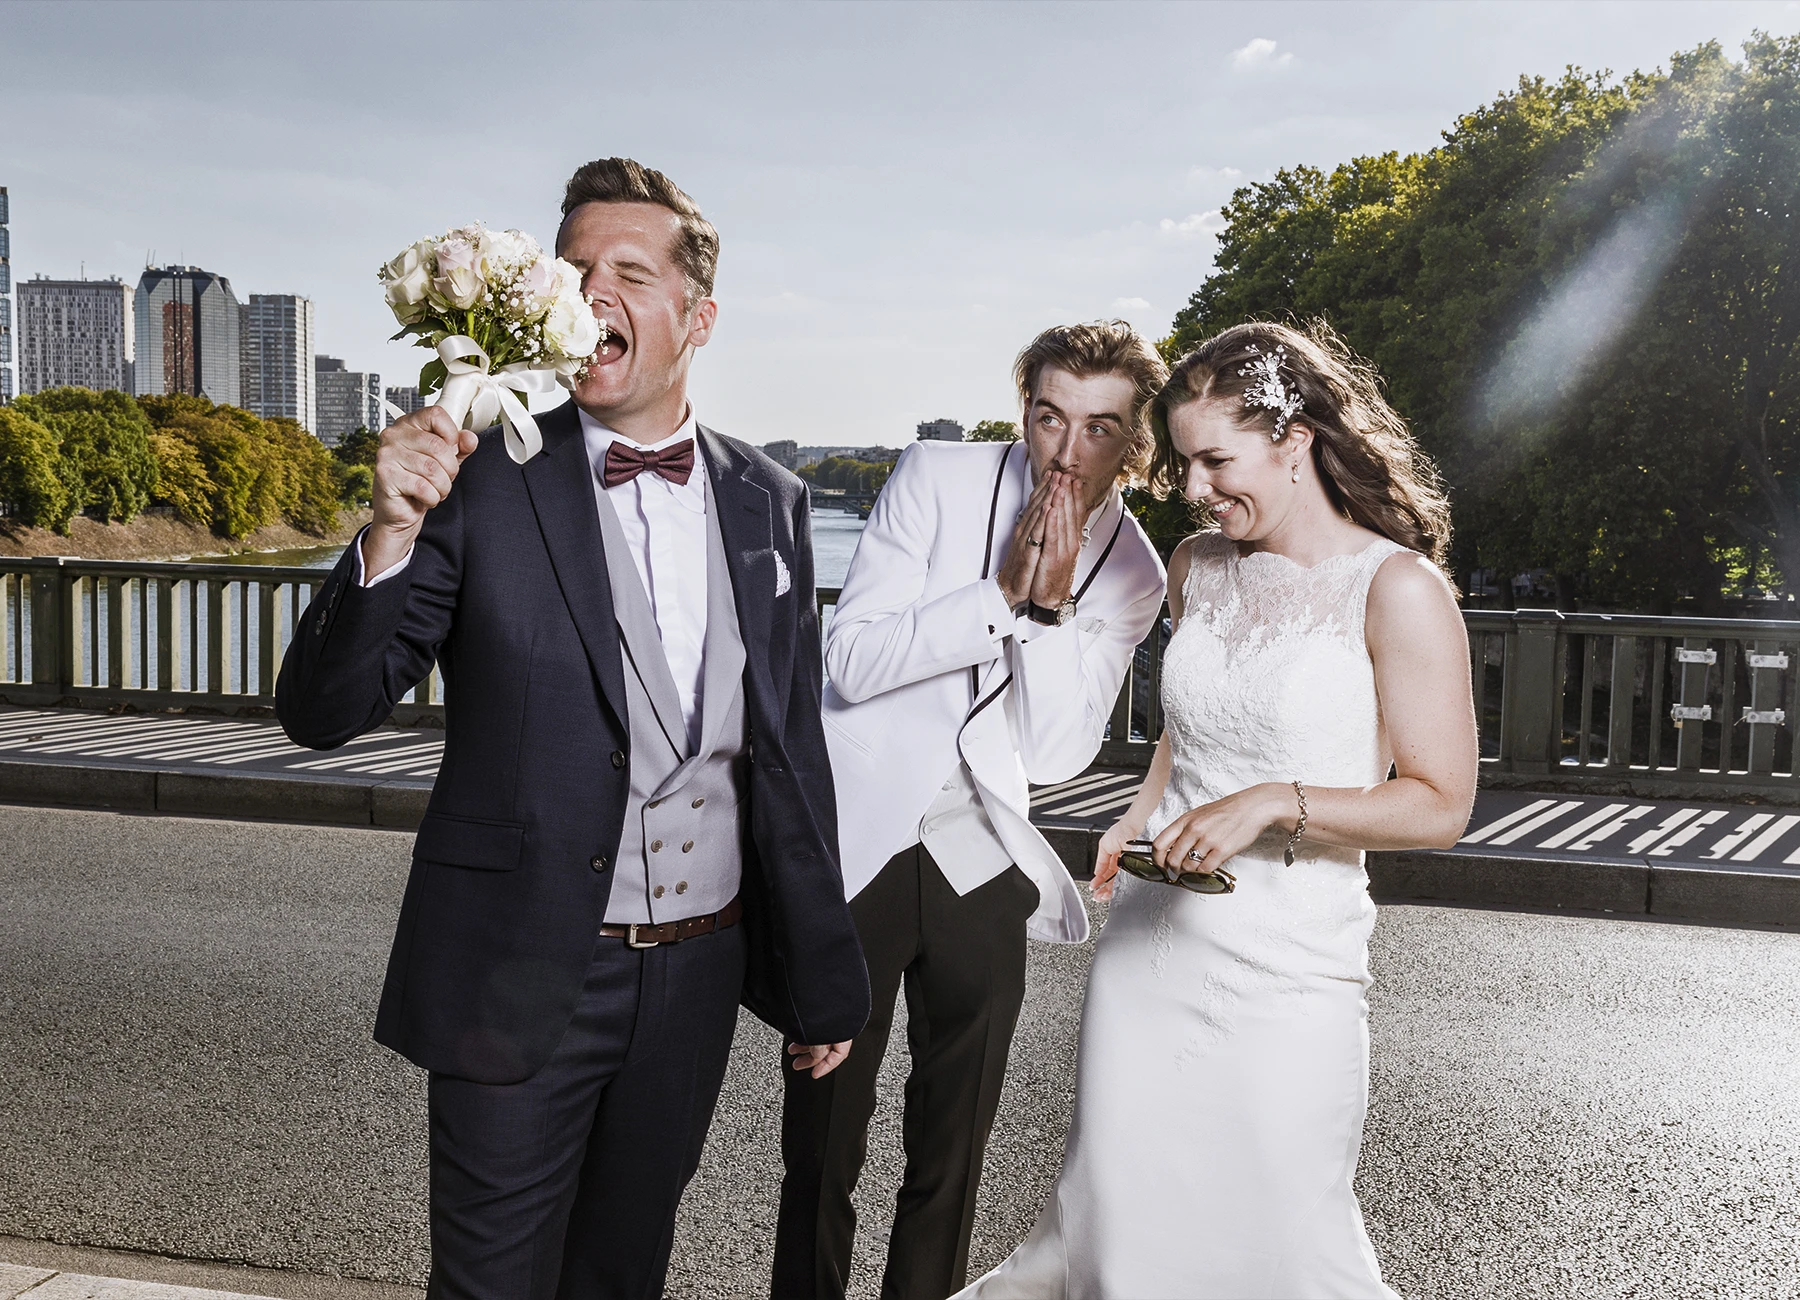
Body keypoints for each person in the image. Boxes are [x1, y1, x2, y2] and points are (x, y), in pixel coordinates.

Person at [275, 157, 869, 1300]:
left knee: (621, 1277)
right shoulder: (480, 481)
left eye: (630, 272)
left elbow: (789, 755)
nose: (593, 290)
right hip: (517, 972)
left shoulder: (771, 500)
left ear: (697, 318)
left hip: (696, 978)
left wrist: (821, 977)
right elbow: (321, 711)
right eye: (575, 267)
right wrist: (389, 531)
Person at [958, 320, 1479, 1300]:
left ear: (1296, 440)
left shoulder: (1398, 590)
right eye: (1185, 462)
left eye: (1214, 460)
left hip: (1291, 970)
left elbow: (1440, 804)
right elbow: (1187, 731)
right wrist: (1139, 810)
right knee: (1119, 1231)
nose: (1192, 489)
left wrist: (1275, 804)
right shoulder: (1198, 566)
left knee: (1278, 1242)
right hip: (1152, 957)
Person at [774, 322, 1171, 1300]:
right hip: (863, 846)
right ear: (1023, 410)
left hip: (986, 860)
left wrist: (1046, 615)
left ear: (1136, 442)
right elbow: (852, 660)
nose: (1066, 450)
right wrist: (999, 595)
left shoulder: (1135, 572)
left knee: (949, 1158)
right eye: (1048, 417)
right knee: (821, 1145)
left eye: (1100, 428)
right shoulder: (935, 474)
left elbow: (1054, 751)